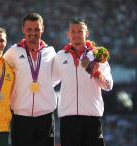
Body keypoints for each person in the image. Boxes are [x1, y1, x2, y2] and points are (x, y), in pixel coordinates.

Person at [53, 18, 113, 146]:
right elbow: (50, 82)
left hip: (92, 118)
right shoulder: (60, 57)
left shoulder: (97, 55)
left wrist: (97, 73)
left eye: (80, 31)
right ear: (68, 34)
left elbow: (108, 85)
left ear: (87, 33)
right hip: (68, 120)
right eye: (73, 31)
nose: (76, 34)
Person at [3, 12, 56, 146]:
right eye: (29, 29)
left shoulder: (50, 52)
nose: (33, 32)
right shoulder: (13, 52)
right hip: (21, 115)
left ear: (42, 29)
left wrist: (44, 88)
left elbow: (56, 77)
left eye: (37, 29)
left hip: (45, 115)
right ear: (23, 29)